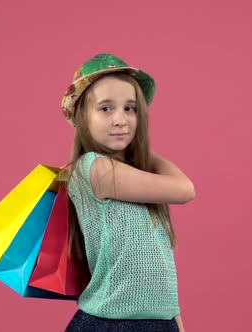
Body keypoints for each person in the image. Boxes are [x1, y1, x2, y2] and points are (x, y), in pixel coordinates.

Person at [60, 53, 195, 332]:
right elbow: (185, 189)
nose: (121, 120)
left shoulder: (136, 176)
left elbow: (157, 259)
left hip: (158, 321)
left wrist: (176, 321)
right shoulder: (94, 169)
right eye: (106, 109)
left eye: (130, 109)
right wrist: (141, 150)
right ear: (82, 117)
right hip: (112, 323)